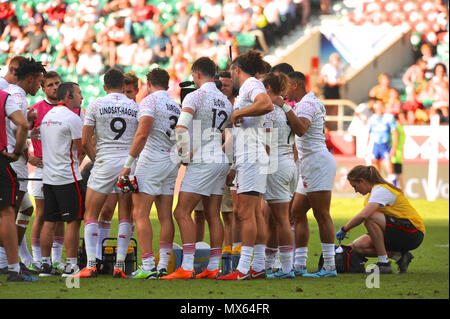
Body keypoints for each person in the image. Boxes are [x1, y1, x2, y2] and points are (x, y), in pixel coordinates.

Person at [161, 57, 232, 280]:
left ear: (198, 74)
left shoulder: (194, 95)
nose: (192, 79)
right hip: (220, 157)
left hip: (202, 159)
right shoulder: (225, 101)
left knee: (181, 211)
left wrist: (183, 153)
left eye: (193, 75)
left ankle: (188, 266)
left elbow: (181, 127)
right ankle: (212, 267)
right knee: (213, 214)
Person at [117, 68, 180, 279]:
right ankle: (162, 264)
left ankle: (147, 265)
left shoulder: (150, 101)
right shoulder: (176, 105)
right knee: (165, 215)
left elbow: (142, 134)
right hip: (171, 159)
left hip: (152, 158)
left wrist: (128, 165)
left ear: (148, 83)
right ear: (167, 83)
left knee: (140, 213)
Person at [76, 68, 139, 278]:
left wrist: (97, 159)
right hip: (128, 165)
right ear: (123, 86)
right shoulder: (135, 106)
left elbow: (85, 142)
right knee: (125, 216)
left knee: (91, 214)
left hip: (104, 162)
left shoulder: (95, 105)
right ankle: (120, 266)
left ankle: (91, 264)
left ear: (104, 87)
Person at [217, 50, 273, 280]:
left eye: (232, 70)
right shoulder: (247, 88)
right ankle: (258, 266)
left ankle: (242, 270)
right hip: (249, 156)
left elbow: (266, 104)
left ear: (237, 69)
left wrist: (239, 112)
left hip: (252, 156)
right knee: (255, 214)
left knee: (245, 213)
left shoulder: (251, 84)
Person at [285, 71, 337, 278]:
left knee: (321, 214)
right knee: (297, 211)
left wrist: (285, 107)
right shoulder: (308, 102)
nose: (285, 90)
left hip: (317, 163)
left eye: (287, 86)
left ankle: (330, 267)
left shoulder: (306, 104)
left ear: (295, 85)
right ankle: (299, 264)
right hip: (309, 163)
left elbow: (302, 129)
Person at [0, 58, 46, 272]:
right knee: (11, 211)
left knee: (24, 208)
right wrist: (20, 152)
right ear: (30, 79)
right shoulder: (16, 96)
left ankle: (17, 258)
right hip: (12, 162)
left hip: (13, 159)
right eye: (39, 82)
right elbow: (17, 127)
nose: (39, 86)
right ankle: (6, 262)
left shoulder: (14, 95)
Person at [337, 165, 425, 274]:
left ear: (362, 181)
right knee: (359, 246)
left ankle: (384, 264)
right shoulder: (373, 194)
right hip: (398, 232)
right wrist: (347, 247)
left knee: (369, 216)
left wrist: (345, 228)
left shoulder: (381, 190)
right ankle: (400, 257)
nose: (355, 191)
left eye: (355, 186)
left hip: (413, 232)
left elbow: (364, 215)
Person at [38, 82, 86, 277]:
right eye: (79, 93)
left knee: (49, 221)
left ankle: (45, 265)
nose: (81, 97)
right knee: (73, 221)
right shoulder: (72, 118)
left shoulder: (47, 116)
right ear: (68, 95)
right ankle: (71, 265)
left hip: (48, 177)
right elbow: (80, 149)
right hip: (68, 177)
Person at [28, 71, 67, 271]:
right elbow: (14, 134)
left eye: (57, 83)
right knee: (42, 214)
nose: (54, 87)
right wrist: (28, 157)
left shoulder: (70, 110)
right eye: (50, 84)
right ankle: (38, 259)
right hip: (42, 170)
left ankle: (57, 259)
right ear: (43, 89)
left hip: (62, 169)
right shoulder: (34, 110)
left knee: (61, 214)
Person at [260, 72, 297, 278]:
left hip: (275, 164)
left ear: (268, 89)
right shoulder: (284, 110)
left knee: (280, 219)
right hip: (288, 163)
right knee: (275, 219)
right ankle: (270, 262)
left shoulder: (270, 111)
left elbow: (266, 144)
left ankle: (286, 268)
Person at [0, 87, 36, 282]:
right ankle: (13, 269)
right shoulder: (4, 97)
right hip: (1, 160)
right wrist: (16, 152)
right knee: (7, 212)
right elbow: (22, 124)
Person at [367, 99, 398, 184]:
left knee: (389, 168)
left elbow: (395, 133)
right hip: (375, 146)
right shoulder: (372, 119)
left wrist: (394, 147)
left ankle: (394, 189)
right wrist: (367, 148)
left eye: (381, 106)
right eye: (377, 106)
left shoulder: (389, 118)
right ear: (375, 107)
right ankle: (377, 189)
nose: (379, 108)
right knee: (375, 170)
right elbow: (369, 134)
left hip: (385, 146)